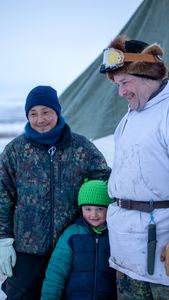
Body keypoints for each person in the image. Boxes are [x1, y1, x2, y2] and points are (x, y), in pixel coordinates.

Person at [0, 85, 111, 300]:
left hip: (71, 246)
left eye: (46, 112)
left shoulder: (81, 147)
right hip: (26, 251)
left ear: (57, 112)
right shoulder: (15, 150)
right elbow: (2, 197)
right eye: (33, 113)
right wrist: (3, 239)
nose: (40, 119)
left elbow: (106, 182)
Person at [100, 34, 169, 299]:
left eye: (125, 82)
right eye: (117, 84)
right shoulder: (131, 115)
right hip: (126, 251)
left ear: (148, 75)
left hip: (161, 251)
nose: (121, 92)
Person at [41, 179, 117, 300]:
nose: (94, 215)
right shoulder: (71, 235)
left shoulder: (114, 235)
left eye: (100, 209)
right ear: (81, 209)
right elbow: (56, 273)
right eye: (88, 209)